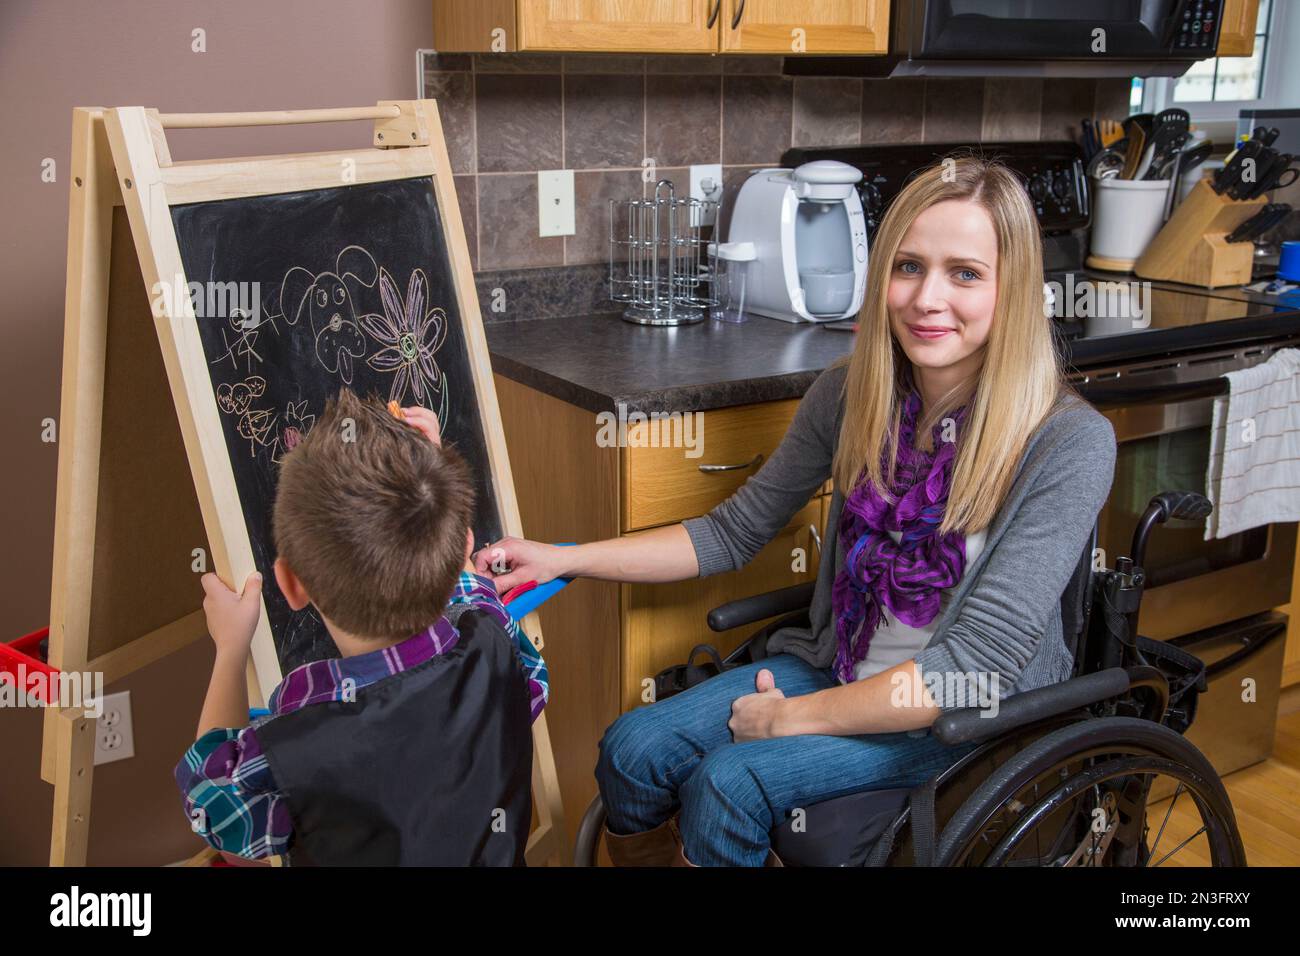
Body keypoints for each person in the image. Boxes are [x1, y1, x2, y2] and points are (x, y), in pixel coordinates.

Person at [474, 156, 1117, 866]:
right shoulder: (850, 395)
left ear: (1013, 289)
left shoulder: (1067, 441)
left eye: (965, 273)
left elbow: (974, 667)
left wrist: (787, 720)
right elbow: (732, 532)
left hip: (962, 717)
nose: (927, 298)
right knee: (633, 750)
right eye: (908, 266)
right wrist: (568, 557)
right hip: (841, 666)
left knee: (727, 785)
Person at [175, 390, 547, 865]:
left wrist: (230, 650)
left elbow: (211, 800)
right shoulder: (497, 641)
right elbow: (477, 598)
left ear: (290, 584)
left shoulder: (297, 743)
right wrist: (429, 484)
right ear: (465, 546)